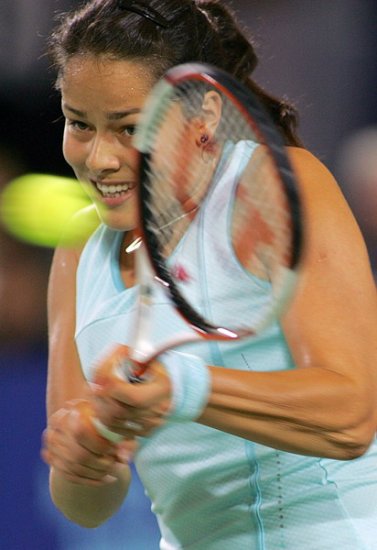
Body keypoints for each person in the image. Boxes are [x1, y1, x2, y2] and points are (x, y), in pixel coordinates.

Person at [41, 1, 377, 548]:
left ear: (205, 116)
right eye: (80, 123)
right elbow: (84, 507)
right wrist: (88, 457)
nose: (99, 158)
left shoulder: (271, 187)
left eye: (129, 128)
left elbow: (352, 414)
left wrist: (184, 389)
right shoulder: (77, 250)